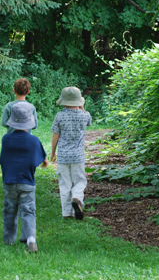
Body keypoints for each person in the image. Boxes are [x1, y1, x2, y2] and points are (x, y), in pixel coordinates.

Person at [0, 101, 48, 253]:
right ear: (30, 121)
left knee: (10, 210)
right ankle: (30, 239)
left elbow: (3, 160)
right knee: (28, 211)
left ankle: (9, 240)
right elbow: (41, 159)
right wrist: (44, 162)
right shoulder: (34, 141)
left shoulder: (6, 140)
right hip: (27, 182)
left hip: (10, 181)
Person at [50, 87, 92, 220]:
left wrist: (52, 152)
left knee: (64, 184)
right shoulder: (84, 115)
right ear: (78, 102)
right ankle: (77, 198)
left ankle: (67, 213)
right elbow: (89, 121)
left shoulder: (60, 116)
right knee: (80, 181)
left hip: (63, 156)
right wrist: (82, 107)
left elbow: (55, 136)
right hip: (78, 156)